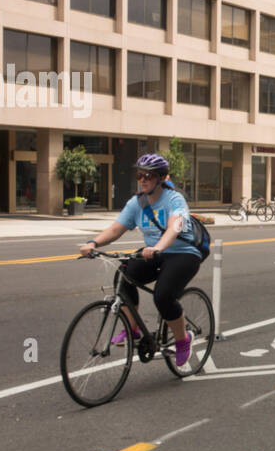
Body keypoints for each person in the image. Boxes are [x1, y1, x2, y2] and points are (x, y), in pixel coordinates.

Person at [78, 154, 200, 365]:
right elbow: (116, 229)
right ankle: (132, 329)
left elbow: (174, 227)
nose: (142, 179)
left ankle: (182, 340)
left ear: (161, 178)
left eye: (148, 176)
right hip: (154, 251)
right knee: (124, 275)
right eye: (139, 175)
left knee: (163, 296)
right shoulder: (137, 203)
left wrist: (158, 247)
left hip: (183, 253)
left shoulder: (174, 199)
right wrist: (93, 243)